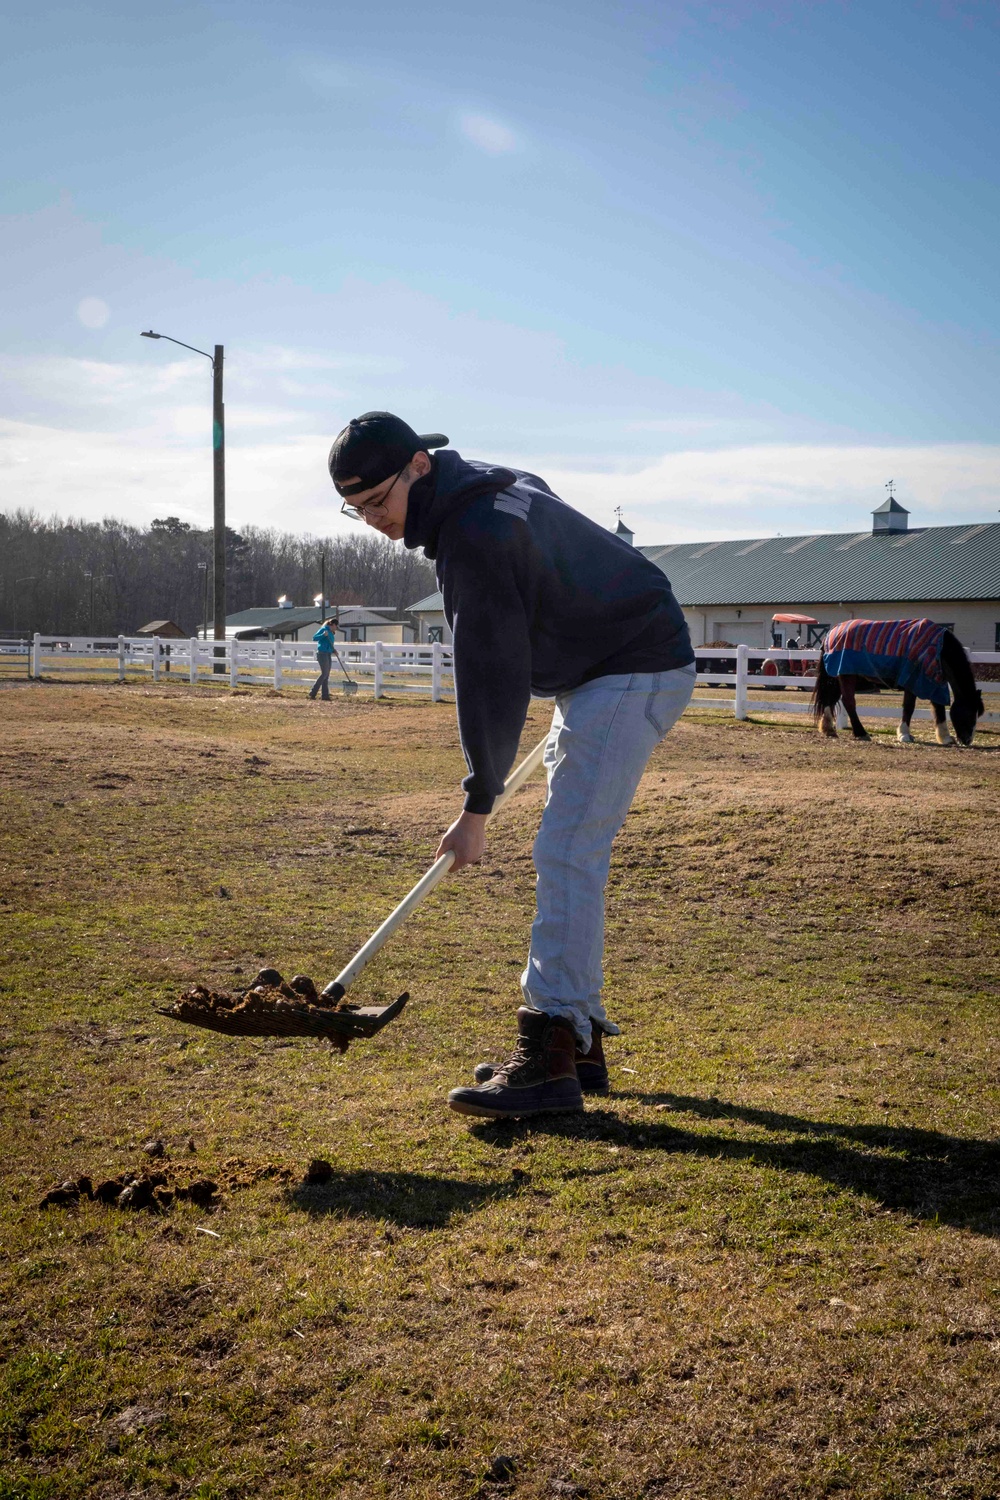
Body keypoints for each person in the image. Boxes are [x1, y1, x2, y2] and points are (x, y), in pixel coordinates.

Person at [327, 412, 696, 1120]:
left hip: (631, 663)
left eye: (379, 501)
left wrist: (477, 807)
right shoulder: (484, 489)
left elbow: (490, 677)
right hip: (601, 667)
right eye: (358, 509)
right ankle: (578, 1043)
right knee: (571, 848)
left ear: (420, 467)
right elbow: (541, 501)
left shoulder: (473, 537)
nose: (375, 520)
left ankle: (550, 1048)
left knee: (567, 849)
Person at [310, 617, 337, 701]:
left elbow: (329, 643)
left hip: (328, 653)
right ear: (332, 624)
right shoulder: (324, 630)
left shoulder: (331, 633)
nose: (336, 627)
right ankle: (313, 692)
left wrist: (333, 650)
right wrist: (323, 635)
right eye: (336, 625)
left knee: (326, 675)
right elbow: (314, 638)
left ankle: (325, 695)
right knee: (324, 674)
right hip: (322, 654)